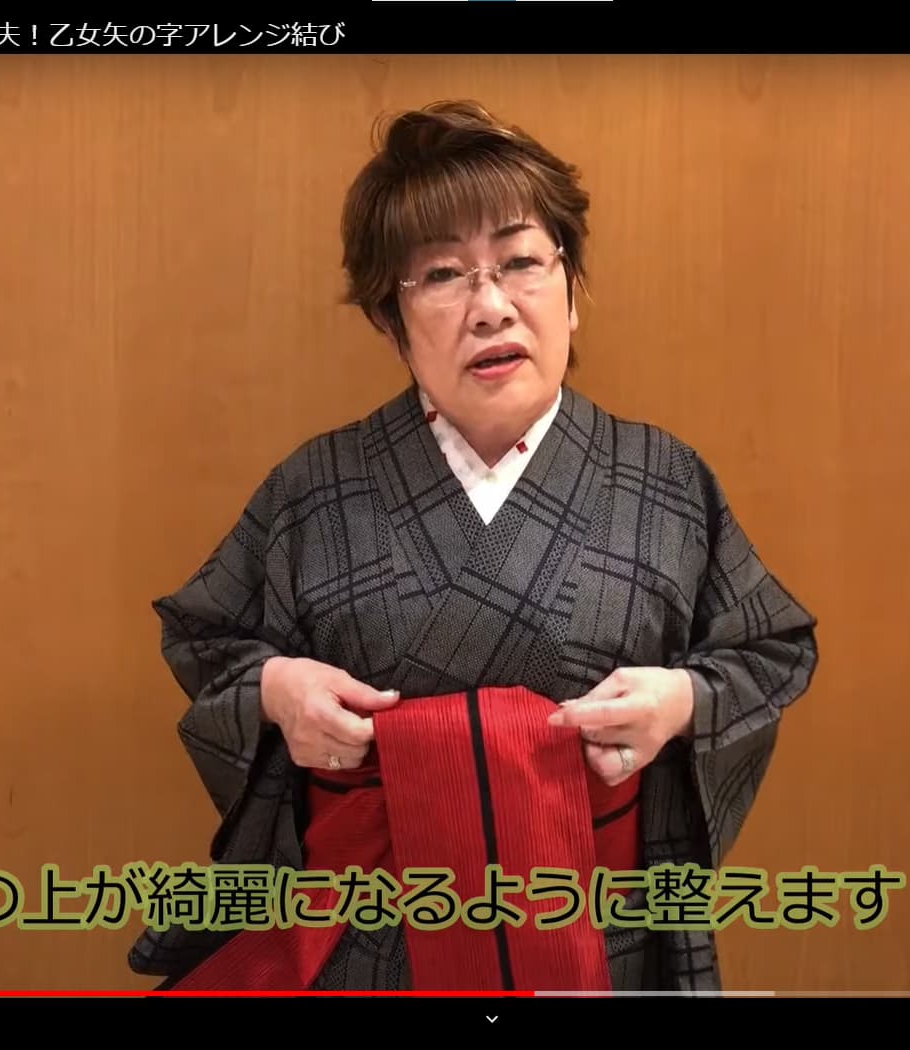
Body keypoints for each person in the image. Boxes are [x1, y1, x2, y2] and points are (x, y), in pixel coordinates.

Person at [128, 99, 819, 993]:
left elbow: (770, 646)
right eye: (443, 275)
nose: (491, 307)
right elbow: (205, 635)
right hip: (368, 944)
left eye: (522, 262)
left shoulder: (667, 481)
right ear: (390, 321)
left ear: (572, 287)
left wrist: (683, 701)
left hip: (593, 934)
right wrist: (276, 689)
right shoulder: (315, 486)